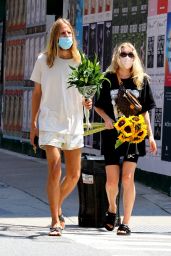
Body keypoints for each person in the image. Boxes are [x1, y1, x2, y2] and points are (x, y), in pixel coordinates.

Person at [30, 18, 92, 237]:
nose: (66, 37)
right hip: (50, 122)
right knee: (55, 168)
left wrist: (87, 101)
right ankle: (55, 220)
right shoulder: (44, 60)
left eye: (69, 33)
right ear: (54, 36)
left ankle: (57, 206)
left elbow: (85, 91)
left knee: (74, 175)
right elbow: (37, 94)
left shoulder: (79, 60)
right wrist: (34, 122)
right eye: (62, 33)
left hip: (73, 122)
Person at [94, 42, 157, 235]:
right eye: (123, 54)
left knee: (128, 178)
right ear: (117, 56)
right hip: (112, 135)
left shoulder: (141, 80)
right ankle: (112, 208)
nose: (127, 57)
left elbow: (145, 111)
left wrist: (151, 135)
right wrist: (106, 119)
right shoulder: (107, 79)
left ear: (135, 57)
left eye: (131, 54)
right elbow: (98, 105)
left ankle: (126, 222)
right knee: (112, 182)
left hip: (134, 136)